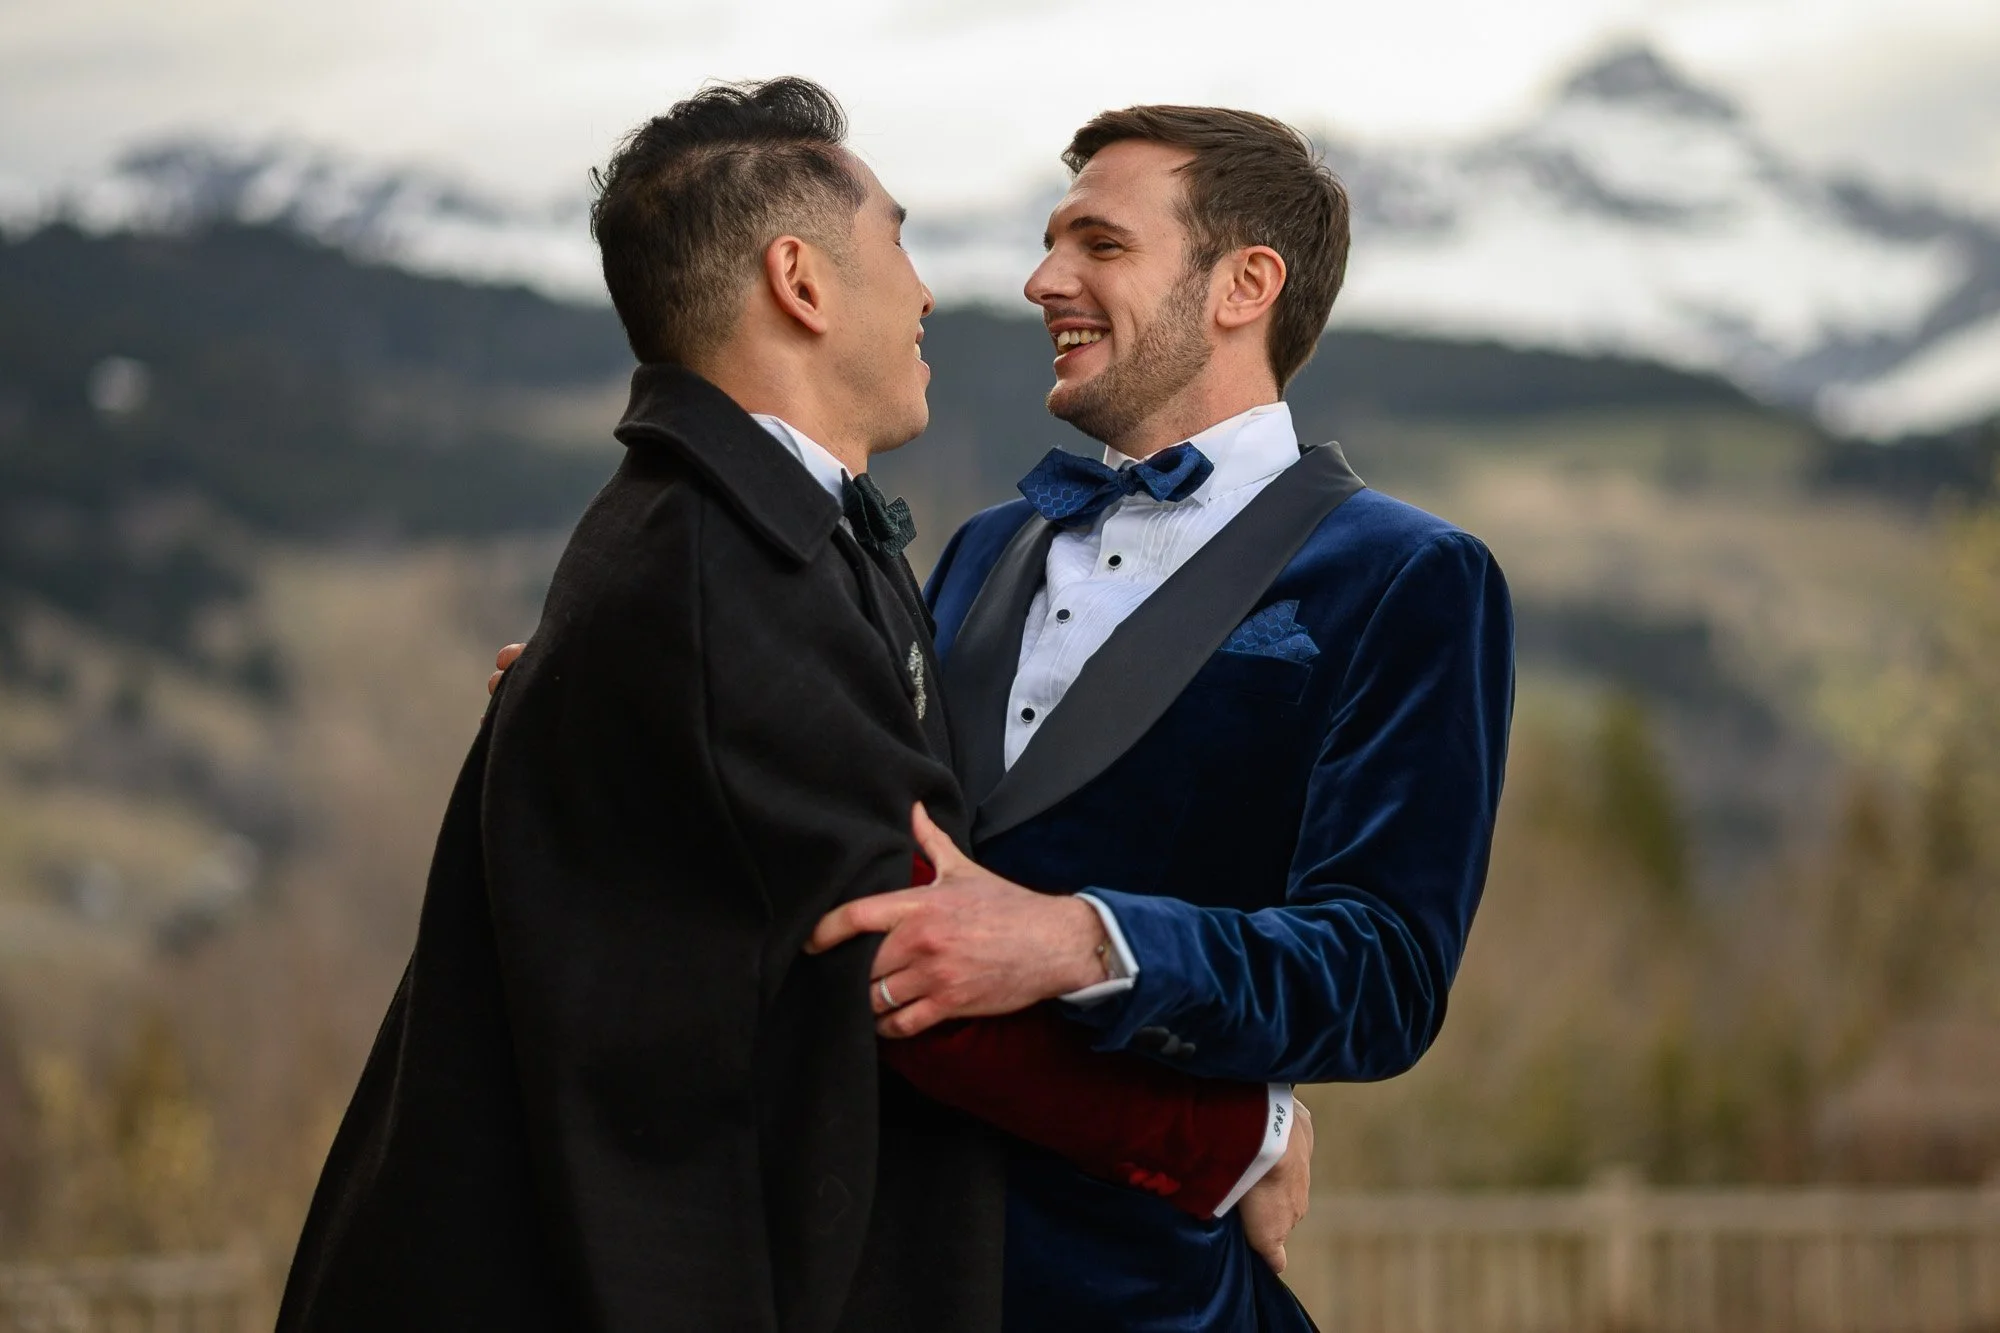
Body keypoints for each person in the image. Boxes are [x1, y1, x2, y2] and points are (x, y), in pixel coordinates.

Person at [285, 79, 1306, 1333]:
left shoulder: (753, 548)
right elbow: (909, 968)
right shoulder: (722, 582)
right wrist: (1236, 1134)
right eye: (896, 242)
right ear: (801, 283)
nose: (929, 290)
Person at [808, 105, 1516, 1332]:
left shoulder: (1408, 574)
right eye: (1048, 243)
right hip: (880, 1257)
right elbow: (868, 803)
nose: (1043, 281)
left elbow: (1384, 970)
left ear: (1244, 284)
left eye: (1100, 245)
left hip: (1142, 1289)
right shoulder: (984, 546)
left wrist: (1084, 939)